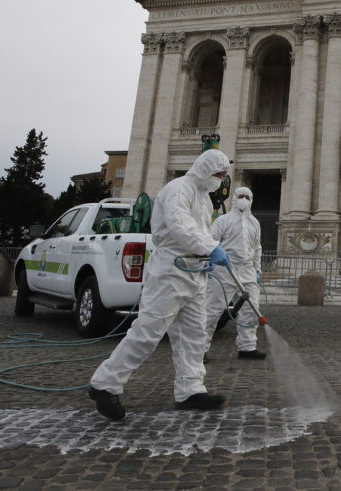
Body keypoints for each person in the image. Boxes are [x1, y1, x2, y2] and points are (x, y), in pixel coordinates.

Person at [88, 149, 232, 421]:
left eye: (224, 176)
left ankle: (190, 388)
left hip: (194, 273)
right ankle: (104, 384)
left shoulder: (203, 197)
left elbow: (200, 232)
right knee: (148, 332)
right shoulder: (178, 190)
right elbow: (180, 227)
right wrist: (210, 248)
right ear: (204, 169)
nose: (220, 180)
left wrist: (208, 253)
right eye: (218, 174)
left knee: (194, 335)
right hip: (170, 272)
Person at [203, 187, 265, 360]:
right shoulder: (223, 221)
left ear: (251, 200)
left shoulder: (254, 223)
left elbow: (257, 247)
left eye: (247, 197)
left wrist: (257, 269)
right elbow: (210, 240)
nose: (243, 199)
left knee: (251, 309)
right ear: (235, 199)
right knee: (213, 309)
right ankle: (200, 349)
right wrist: (210, 259)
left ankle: (247, 346)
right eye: (240, 196)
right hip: (225, 269)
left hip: (247, 270)